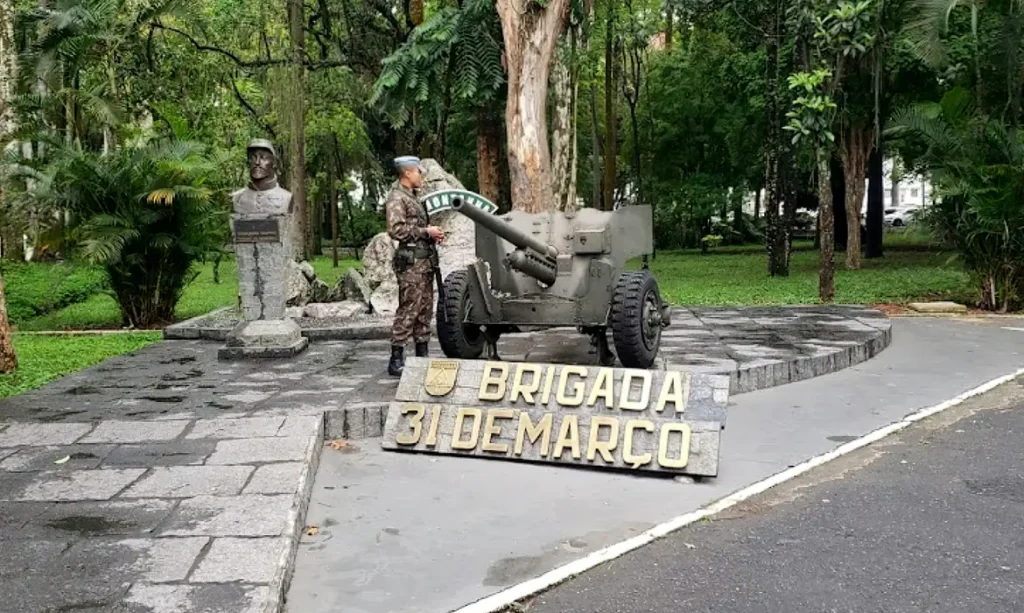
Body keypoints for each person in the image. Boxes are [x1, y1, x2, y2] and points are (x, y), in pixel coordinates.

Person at [385, 156, 445, 376]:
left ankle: (422, 355)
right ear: (408, 173)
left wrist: (431, 233)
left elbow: (416, 226)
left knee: (424, 310)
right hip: (411, 264)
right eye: (419, 172)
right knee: (409, 308)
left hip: (424, 262)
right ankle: (396, 359)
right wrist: (425, 232)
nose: (422, 176)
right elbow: (396, 229)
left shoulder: (413, 197)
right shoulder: (397, 198)